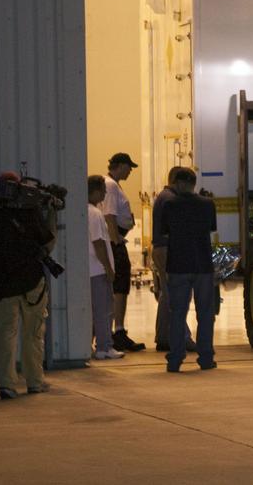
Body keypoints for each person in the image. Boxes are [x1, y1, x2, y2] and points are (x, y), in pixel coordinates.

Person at [0, 172, 57, 399]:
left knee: (6, 335)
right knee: (33, 334)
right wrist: (52, 213)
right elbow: (49, 245)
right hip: (33, 283)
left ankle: (6, 384)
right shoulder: (32, 215)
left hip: (4, 286)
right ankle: (35, 382)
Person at [153, 168, 217, 372]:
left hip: (178, 265)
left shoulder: (170, 204)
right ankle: (206, 358)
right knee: (205, 313)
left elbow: (165, 233)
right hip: (203, 265)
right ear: (193, 183)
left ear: (179, 183)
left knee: (178, 313)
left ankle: (175, 359)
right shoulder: (207, 204)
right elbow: (211, 228)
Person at [102, 152, 145, 352]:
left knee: (119, 286)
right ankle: (117, 331)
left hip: (116, 239)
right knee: (120, 286)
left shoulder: (112, 184)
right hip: (115, 241)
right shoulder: (110, 185)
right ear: (119, 166)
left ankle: (116, 330)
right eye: (129, 167)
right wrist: (115, 241)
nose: (130, 171)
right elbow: (109, 215)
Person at [152, 167, 195, 353]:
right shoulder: (171, 200)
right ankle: (181, 338)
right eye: (190, 187)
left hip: (162, 249)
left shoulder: (164, 197)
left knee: (167, 294)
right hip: (169, 250)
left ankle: (164, 337)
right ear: (181, 183)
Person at [87, 176, 122, 360]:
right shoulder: (95, 214)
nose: (105, 193)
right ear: (94, 191)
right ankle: (104, 346)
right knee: (104, 310)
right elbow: (98, 243)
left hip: (90, 269)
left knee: (96, 311)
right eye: (102, 190)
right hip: (98, 270)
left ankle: (95, 344)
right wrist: (108, 268)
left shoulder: (86, 211)